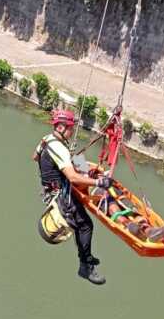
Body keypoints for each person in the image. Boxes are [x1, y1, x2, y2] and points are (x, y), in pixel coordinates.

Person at [33, 109, 112, 285]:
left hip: (51, 190)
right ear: (61, 127)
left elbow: (35, 156)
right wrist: (99, 183)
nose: (72, 131)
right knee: (85, 226)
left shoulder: (47, 139)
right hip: (62, 195)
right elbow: (73, 177)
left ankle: (87, 256)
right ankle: (85, 267)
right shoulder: (59, 147)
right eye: (70, 128)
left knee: (82, 225)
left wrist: (59, 164)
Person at [90, 179, 164, 242]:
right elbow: (78, 180)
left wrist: (112, 182)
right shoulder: (79, 165)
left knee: (130, 207)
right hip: (96, 190)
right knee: (110, 203)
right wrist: (97, 182)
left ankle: (149, 231)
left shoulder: (82, 162)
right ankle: (128, 224)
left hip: (111, 188)